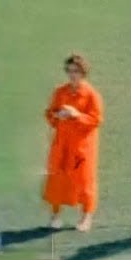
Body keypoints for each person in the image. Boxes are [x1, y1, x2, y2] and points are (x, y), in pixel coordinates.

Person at [42, 54, 104, 232]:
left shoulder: (91, 95)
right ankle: (55, 215)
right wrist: (57, 115)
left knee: (84, 181)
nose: (72, 75)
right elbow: (50, 113)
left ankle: (86, 216)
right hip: (62, 143)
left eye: (76, 71)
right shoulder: (60, 92)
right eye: (69, 71)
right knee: (57, 178)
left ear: (83, 72)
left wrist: (77, 115)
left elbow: (96, 120)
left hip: (82, 147)